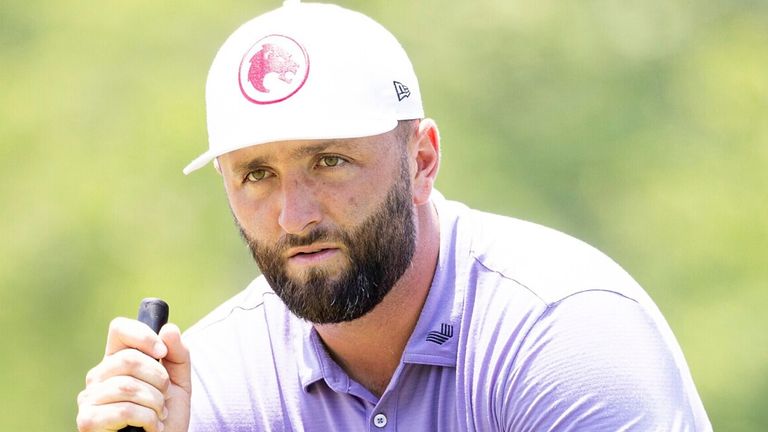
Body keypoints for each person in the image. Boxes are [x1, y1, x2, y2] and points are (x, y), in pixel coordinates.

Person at [76, 1, 712, 431]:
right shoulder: (210, 384)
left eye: (329, 161)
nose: (293, 218)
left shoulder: (563, 332)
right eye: (257, 174)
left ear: (423, 159)